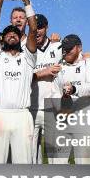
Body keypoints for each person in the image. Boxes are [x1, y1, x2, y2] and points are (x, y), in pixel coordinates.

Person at [0, 0, 37, 164]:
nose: (12, 35)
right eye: (8, 33)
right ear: (3, 38)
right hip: (0, 114)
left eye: (15, 33)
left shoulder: (28, 58)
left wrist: (26, 1)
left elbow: (32, 29)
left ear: (19, 38)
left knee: (24, 165)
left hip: (22, 116)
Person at [48, 34, 90, 164]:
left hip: (84, 121)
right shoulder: (59, 66)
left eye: (69, 48)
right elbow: (54, 92)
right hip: (63, 120)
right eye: (64, 48)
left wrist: (74, 90)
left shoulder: (89, 63)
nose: (66, 51)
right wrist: (61, 104)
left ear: (79, 48)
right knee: (58, 164)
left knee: (84, 165)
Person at [29, 13, 62, 164]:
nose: (37, 31)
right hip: (31, 109)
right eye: (34, 28)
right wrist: (44, 73)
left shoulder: (58, 47)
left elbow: (76, 62)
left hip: (53, 108)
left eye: (40, 27)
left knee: (56, 156)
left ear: (47, 28)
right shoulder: (25, 50)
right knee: (31, 158)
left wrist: (86, 56)